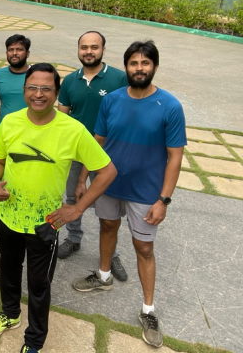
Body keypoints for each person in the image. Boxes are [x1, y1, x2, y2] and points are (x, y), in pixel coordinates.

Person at [0, 63, 117, 353]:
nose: (38, 94)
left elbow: (107, 171)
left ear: (56, 93)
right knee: (8, 269)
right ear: (24, 90)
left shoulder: (73, 130)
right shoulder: (11, 121)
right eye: (33, 87)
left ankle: (34, 340)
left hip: (46, 223)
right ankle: (10, 313)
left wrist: (77, 209)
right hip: (8, 216)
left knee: (39, 284)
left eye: (46, 89)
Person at [72, 41, 186, 348]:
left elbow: (175, 157)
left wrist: (163, 200)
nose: (139, 68)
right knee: (108, 226)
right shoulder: (112, 100)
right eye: (134, 63)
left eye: (145, 63)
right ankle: (104, 274)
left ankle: (148, 310)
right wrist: (83, 176)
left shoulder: (170, 106)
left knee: (144, 248)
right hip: (109, 183)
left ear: (154, 67)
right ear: (126, 67)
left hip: (146, 191)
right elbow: (98, 139)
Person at [57, 31, 129, 280]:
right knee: (71, 196)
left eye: (94, 47)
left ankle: (112, 254)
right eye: (84, 47)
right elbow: (62, 117)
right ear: (78, 49)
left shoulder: (119, 79)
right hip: (75, 153)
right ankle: (73, 238)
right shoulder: (69, 81)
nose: (89, 51)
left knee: (108, 206)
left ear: (103, 50)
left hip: (106, 155)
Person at [0, 34, 31, 124]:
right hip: (4, 129)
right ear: (6, 53)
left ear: (27, 53)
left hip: (30, 129)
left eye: (19, 49)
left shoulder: (35, 75)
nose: (14, 53)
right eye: (11, 50)